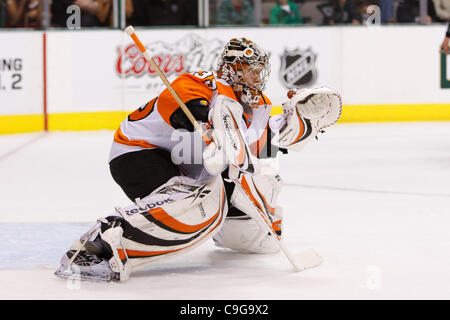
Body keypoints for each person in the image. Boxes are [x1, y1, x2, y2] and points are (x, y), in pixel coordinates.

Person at [54, 38, 342, 282]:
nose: (259, 78)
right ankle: (98, 248)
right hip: (137, 152)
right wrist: (202, 118)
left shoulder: (259, 105)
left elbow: (257, 148)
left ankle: (229, 232)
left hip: (186, 165)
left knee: (252, 189)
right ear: (234, 70)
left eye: (259, 71)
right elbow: (181, 101)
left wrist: (296, 124)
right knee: (199, 205)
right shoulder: (208, 83)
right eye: (253, 71)